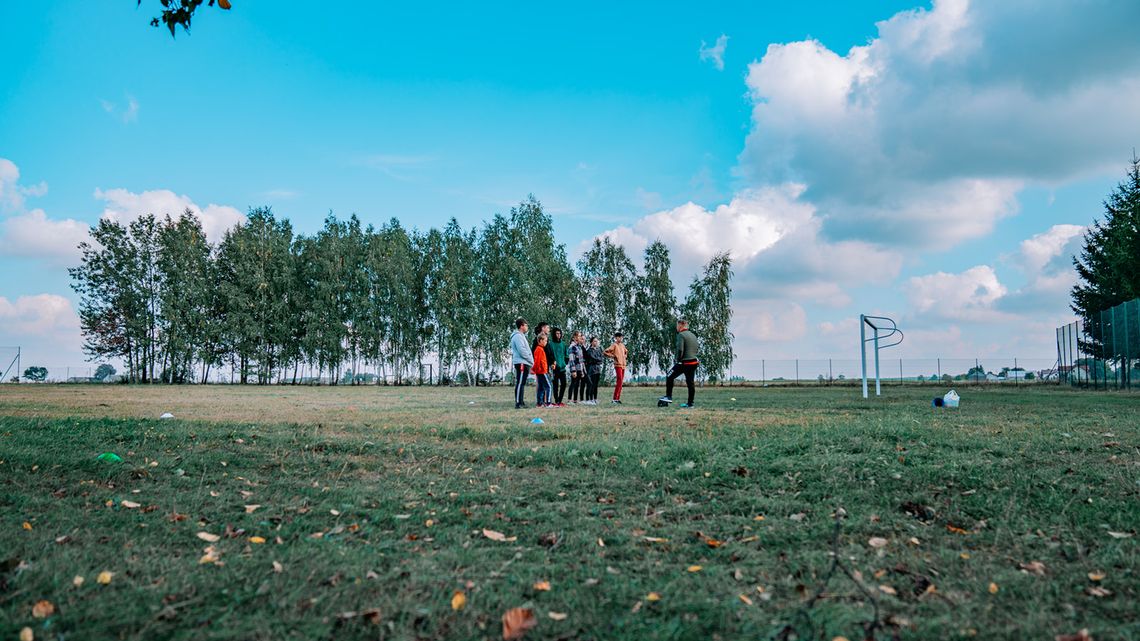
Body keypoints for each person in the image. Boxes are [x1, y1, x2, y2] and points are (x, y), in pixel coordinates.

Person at [659, 319, 699, 408]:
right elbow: (696, 348)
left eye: (677, 326)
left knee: (669, 376)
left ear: (680, 326)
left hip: (684, 363)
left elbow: (680, 349)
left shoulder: (681, 335)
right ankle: (690, 404)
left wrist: (678, 359)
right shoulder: (693, 335)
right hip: (693, 362)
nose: (677, 328)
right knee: (690, 383)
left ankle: (668, 396)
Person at [510, 318, 534, 409]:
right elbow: (522, 351)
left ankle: (521, 401)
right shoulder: (518, 336)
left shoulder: (521, 336)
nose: (527, 327)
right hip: (521, 363)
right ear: (521, 326)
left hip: (524, 362)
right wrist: (531, 360)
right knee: (520, 382)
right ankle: (518, 403)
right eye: (526, 325)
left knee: (522, 382)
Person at [603, 331, 628, 404]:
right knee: (619, 381)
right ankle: (614, 399)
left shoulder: (622, 345)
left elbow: (626, 352)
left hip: (623, 365)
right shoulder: (614, 345)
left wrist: (625, 356)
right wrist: (613, 356)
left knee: (621, 382)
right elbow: (605, 351)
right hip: (618, 365)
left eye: (621, 337)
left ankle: (618, 398)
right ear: (616, 338)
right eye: (619, 337)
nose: (620, 338)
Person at [550, 327, 569, 406]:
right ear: (554, 334)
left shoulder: (563, 344)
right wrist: (553, 363)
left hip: (562, 367)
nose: (559, 335)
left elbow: (566, 354)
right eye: (557, 333)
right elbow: (550, 354)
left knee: (564, 384)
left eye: (560, 333)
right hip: (555, 367)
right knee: (555, 385)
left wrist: (565, 361)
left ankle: (560, 400)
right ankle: (556, 400)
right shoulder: (551, 344)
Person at [584, 336, 604, 405]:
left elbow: (601, 359)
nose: (596, 342)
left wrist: (598, 360)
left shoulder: (599, 349)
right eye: (595, 341)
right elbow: (593, 358)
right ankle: (590, 399)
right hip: (591, 369)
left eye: (597, 341)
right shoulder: (589, 350)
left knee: (596, 385)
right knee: (591, 385)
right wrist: (598, 360)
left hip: (598, 369)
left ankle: (595, 398)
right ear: (591, 342)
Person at [533, 334, 551, 407]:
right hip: (542, 371)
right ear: (540, 340)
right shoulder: (539, 349)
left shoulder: (539, 349)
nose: (546, 342)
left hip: (540, 371)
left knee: (541, 387)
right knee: (549, 386)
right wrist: (535, 369)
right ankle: (548, 403)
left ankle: (539, 403)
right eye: (545, 341)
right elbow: (537, 361)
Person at [567, 330, 585, 404]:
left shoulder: (579, 347)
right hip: (574, 368)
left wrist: (582, 370)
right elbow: (571, 359)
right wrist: (573, 370)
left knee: (577, 384)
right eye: (579, 336)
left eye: (581, 336)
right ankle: (569, 399)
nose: (580, 337)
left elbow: (581, 360)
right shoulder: (572, 347)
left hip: (579, 368)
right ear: (574, 337)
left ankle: (575, 400)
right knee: (573, 383)